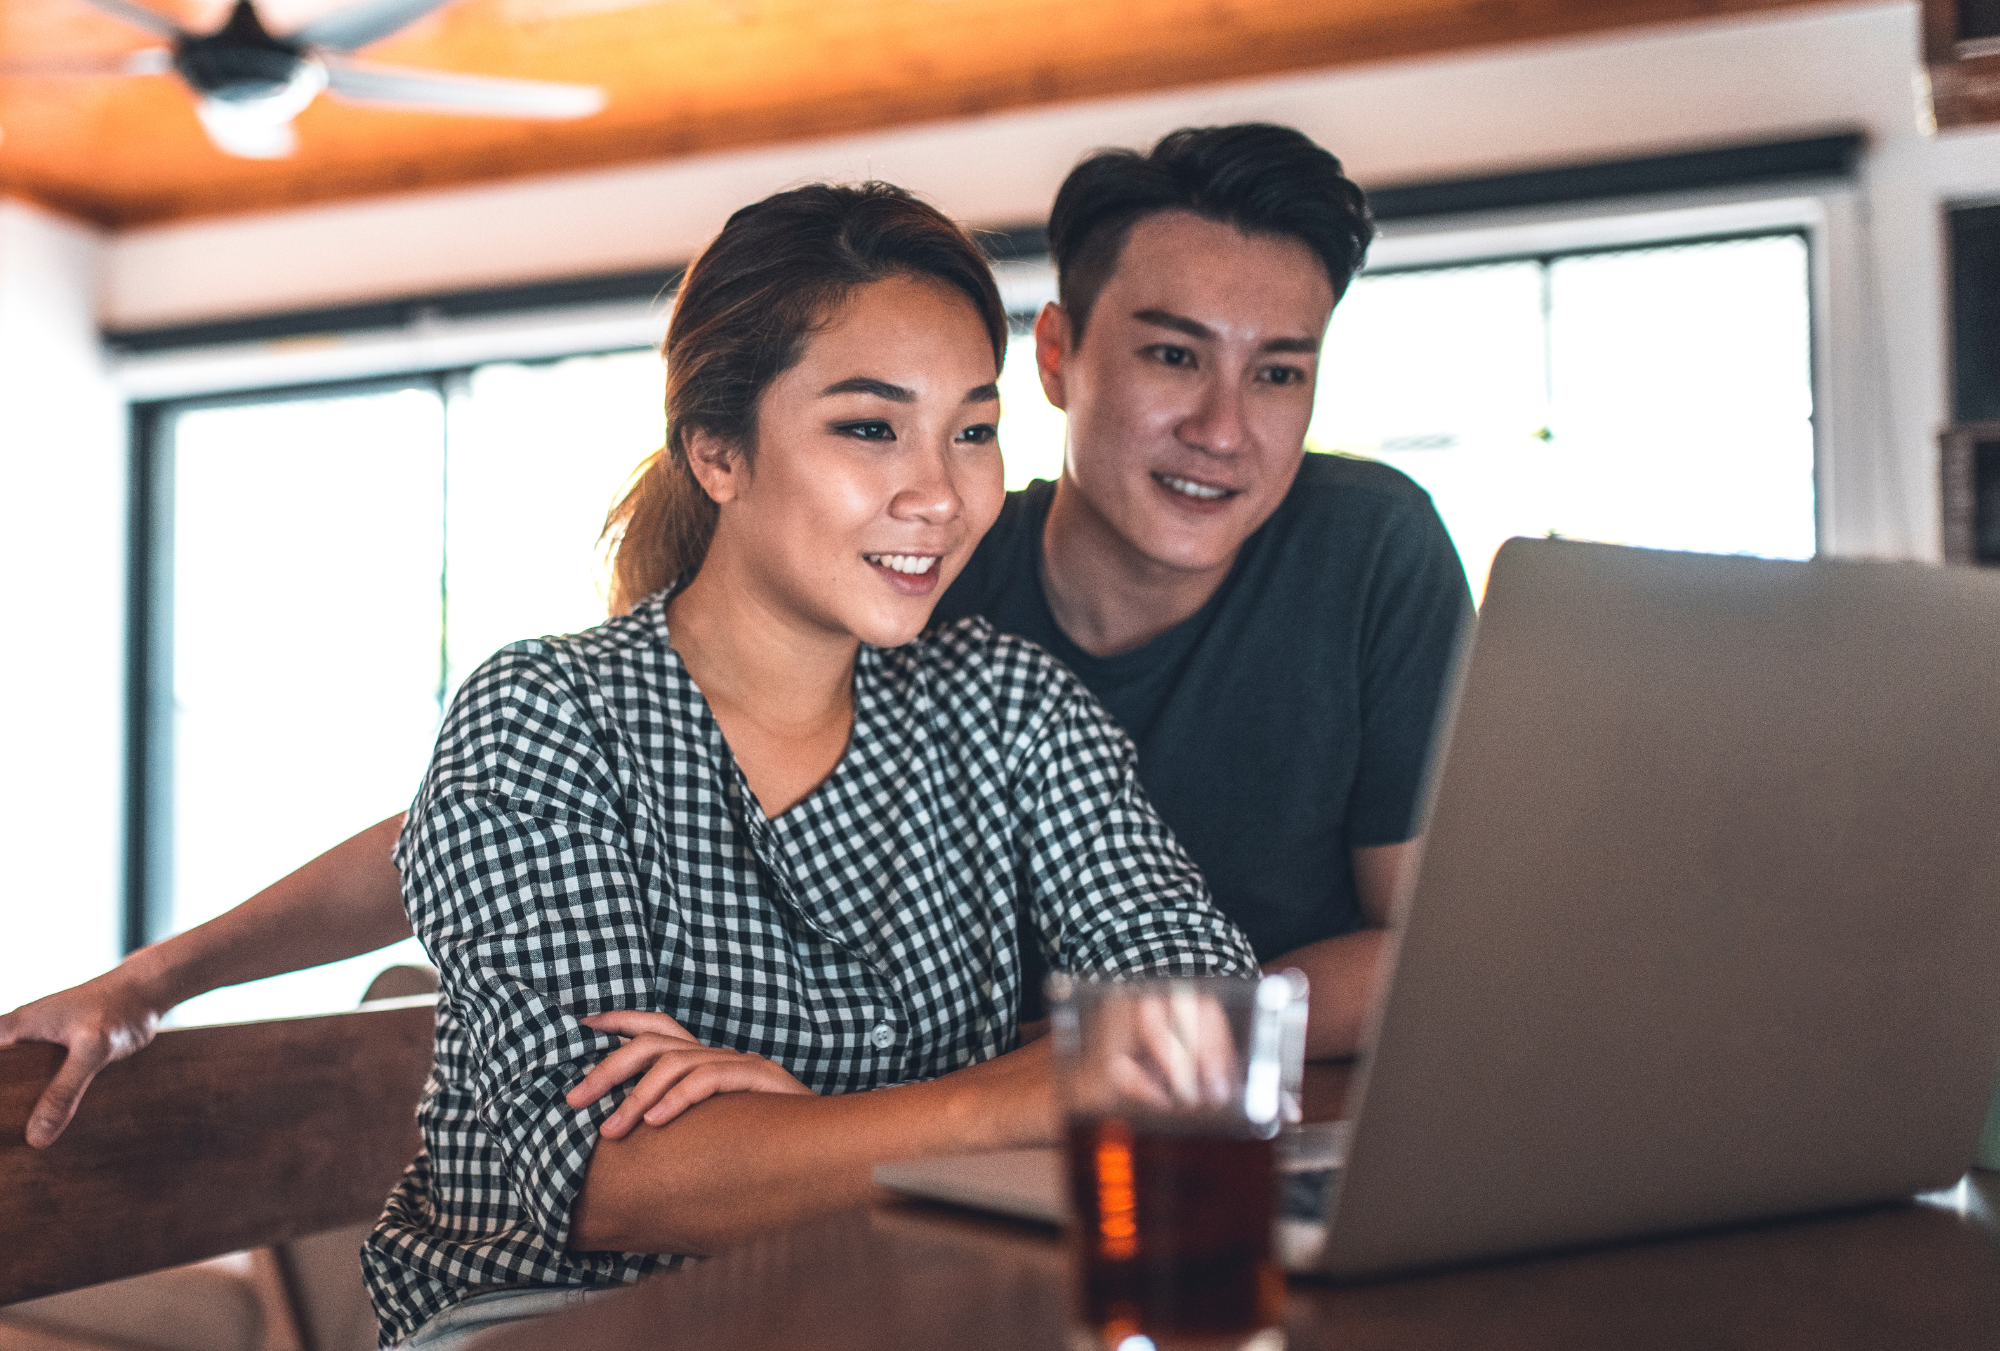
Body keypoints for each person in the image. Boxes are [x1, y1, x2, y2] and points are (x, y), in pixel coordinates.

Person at [1, 122, 1469, 1150]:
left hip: (1155, 1136)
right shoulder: (913, 573)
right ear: (1064, 358)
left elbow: (1437, 953)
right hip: (958, 1159)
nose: (1225, 426)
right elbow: (532, 809)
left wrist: (1151, 1050)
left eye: (1282, 371)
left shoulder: (1360, 549)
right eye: (1170, 355)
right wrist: (162, 976)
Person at [363, 182, 1257, 1346]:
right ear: (718, 452)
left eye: (973, 430)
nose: (938, 492)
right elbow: (613, 1180)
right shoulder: (548, 715)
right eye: (869, 426)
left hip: (891, 1308)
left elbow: (1205, 1026)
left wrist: (811, 1137)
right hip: (558, 1338)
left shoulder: (1004, 699)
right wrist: (1011, 1091)